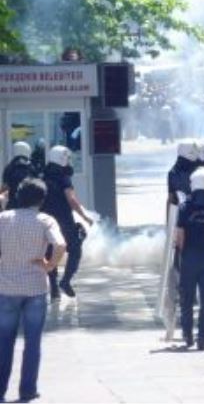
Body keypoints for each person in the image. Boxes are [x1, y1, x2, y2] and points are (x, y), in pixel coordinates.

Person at [0, 178, 66, 403]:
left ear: (19, 196)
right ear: (42, 199)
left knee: (4, 340)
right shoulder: (45, 220)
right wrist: (49, 265)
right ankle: (27, 391)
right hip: (36, 288)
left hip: (6, 287)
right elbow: (60, 244)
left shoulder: (3, 219)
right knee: (33, 341)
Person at [175, 168, 204, 351]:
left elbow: (180, 237)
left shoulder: (185, 208)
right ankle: (202, 337)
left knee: (186, 299)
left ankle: (188, 335)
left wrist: (182, 253)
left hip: (189, 258)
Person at [40, 146, 93, 299]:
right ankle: (66, 281)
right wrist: (85, 217)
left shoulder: (43, 176)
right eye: (68, 158)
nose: (69, 161)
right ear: (62, 158)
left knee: (50, 253)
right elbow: (72, 200)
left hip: (46, 222)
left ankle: (54, 288)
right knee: (75, 249)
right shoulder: (64, 178)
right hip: (64, 221)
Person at [1, 142, 37, 210]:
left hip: (12, 203)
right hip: (28, 203)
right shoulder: (30, 167)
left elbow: (4, 187)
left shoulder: (9, 168)